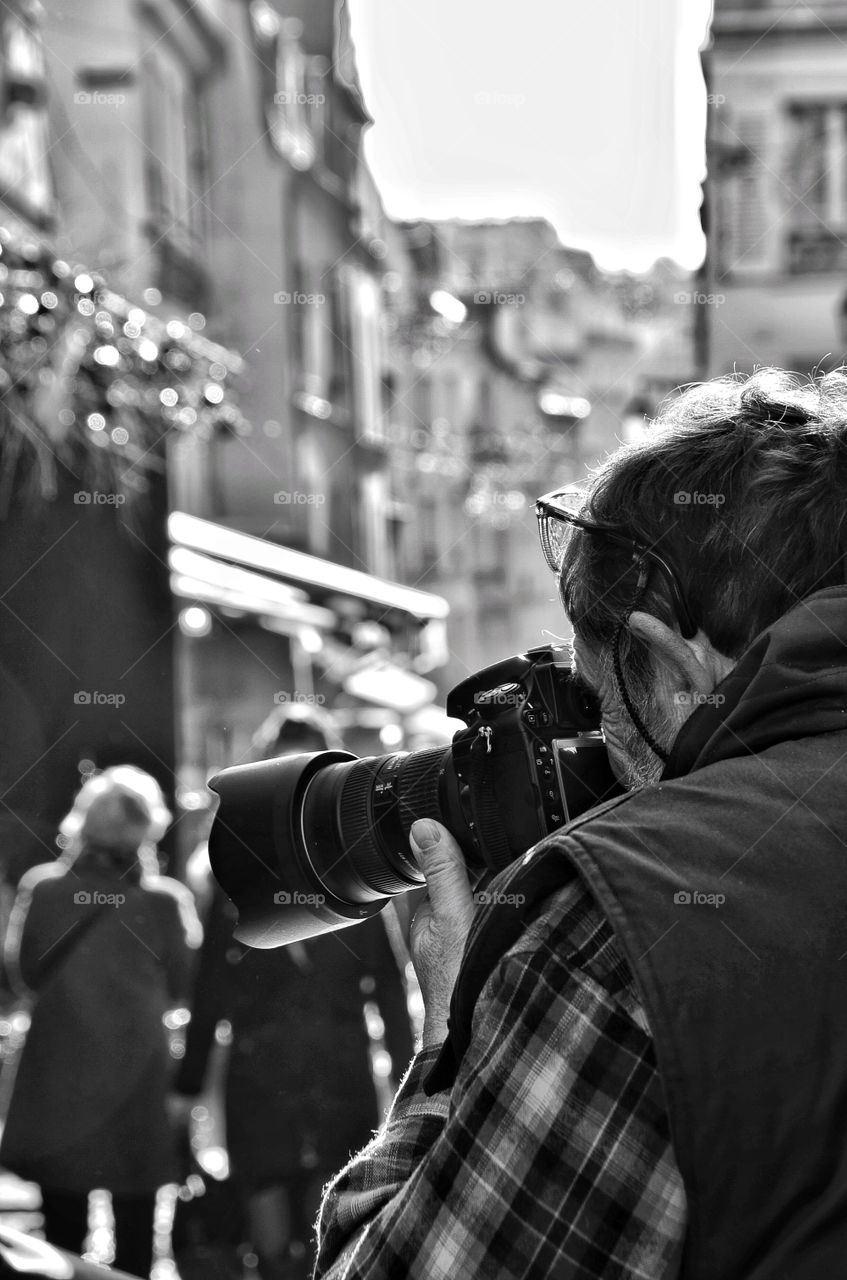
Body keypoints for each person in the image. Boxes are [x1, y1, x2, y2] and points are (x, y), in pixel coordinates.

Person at [312, 367, 847, 1278]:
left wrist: (449, 1043)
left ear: (664, 660)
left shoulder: (625, 926)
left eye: (602, 702)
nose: (601, 749)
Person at [174, 702, 414, 1280]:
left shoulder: (360, 871)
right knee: (271, 1252)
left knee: (337, 1244)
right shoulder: (234, 872)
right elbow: (209, 989)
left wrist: (417, 1081)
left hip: (341, 1079)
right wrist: (184, 1089)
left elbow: (386, 984)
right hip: (260, 1082)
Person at [0, 765, 201, 1278]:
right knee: (135, 1247)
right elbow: (184, 986)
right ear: (147, 830)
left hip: (57, 1094)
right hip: (136, 1095)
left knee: (60, 1252)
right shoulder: (165, 902)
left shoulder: (42, 890)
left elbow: (23, 976)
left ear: (83, 823)